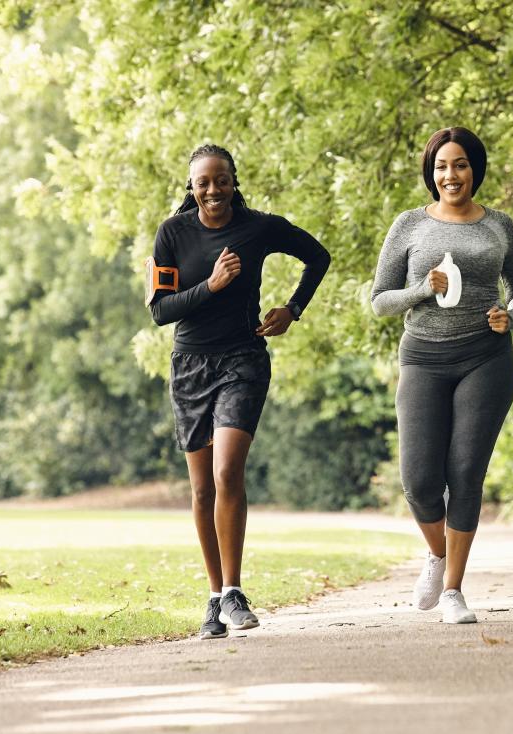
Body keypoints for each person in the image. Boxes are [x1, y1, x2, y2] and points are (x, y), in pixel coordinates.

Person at [147, 144, 330, 639]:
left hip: (242, 361)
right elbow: (161, 311)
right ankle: (213, 600)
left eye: (221, 179)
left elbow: (317, 256)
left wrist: (292, 310)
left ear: (234, 181)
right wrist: (211, 284)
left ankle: (234, 590)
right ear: (192, 186)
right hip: (189, 367)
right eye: (203, 182)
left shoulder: (258, 228)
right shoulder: (172, 233)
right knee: (202, 488)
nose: (212, 190)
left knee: (228, 471)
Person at [370, 127, 513, 624]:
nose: (450, 175)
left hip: (486, 357)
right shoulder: (408, 225)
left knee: (465, 473)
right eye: (442, 166)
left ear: (474, 169)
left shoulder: (500, 226)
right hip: (423, 356)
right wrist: (421, 290)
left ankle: (453, 592)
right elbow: (380, 300)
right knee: (419, 480)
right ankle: (436, 556)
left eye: (460, 165)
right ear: (431, 173)